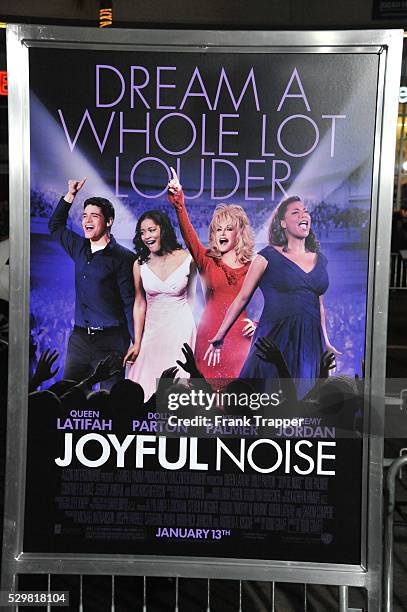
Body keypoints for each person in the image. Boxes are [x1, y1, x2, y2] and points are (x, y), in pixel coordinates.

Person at [206, 195, 340, 398]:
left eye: (305, 211)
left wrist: (326, 342)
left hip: (310, 342)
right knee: (263, 399)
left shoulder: (320, 260)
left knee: (301, 404)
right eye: (295, 212)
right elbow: (243, 297)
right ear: (283, 223)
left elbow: (318, 303)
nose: (303, 214)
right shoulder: (266, 257)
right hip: (275, 340)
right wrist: (219, 335)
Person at [167, 168, 256, 383]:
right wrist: (179, 200)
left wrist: (258, 323)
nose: (222, 233)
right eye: (218, 229)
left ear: (239, 233)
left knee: (238, 399)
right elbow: (188, 235)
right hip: (209, 334)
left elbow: (273, 300)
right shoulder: (207, 260)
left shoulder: (253, 266)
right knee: (205, 396)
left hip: (240, 337)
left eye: (228, 229)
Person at [48, 179, 136, 388]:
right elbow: (55, 226)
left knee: (109, 402)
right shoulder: (78, 247)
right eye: (84, 215)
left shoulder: (124, 258)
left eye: (94, 216)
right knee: (68, 396)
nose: (87, 220)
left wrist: (136, 341)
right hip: (79, 340)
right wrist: (70, 195)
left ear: (109, 221)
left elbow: (129, 303)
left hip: (112, 341)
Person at [124, 210, 197, 400]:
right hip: (151, 333)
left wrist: (192, 334)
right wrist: (137, 341)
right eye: (142, 232)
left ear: (162, 230)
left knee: (178, 388)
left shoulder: (188, 259)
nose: (147, 236)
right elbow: (139, 303)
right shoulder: (139, 264)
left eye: (151, 230)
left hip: (180, 331)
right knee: (144, 386)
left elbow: (192, 298)